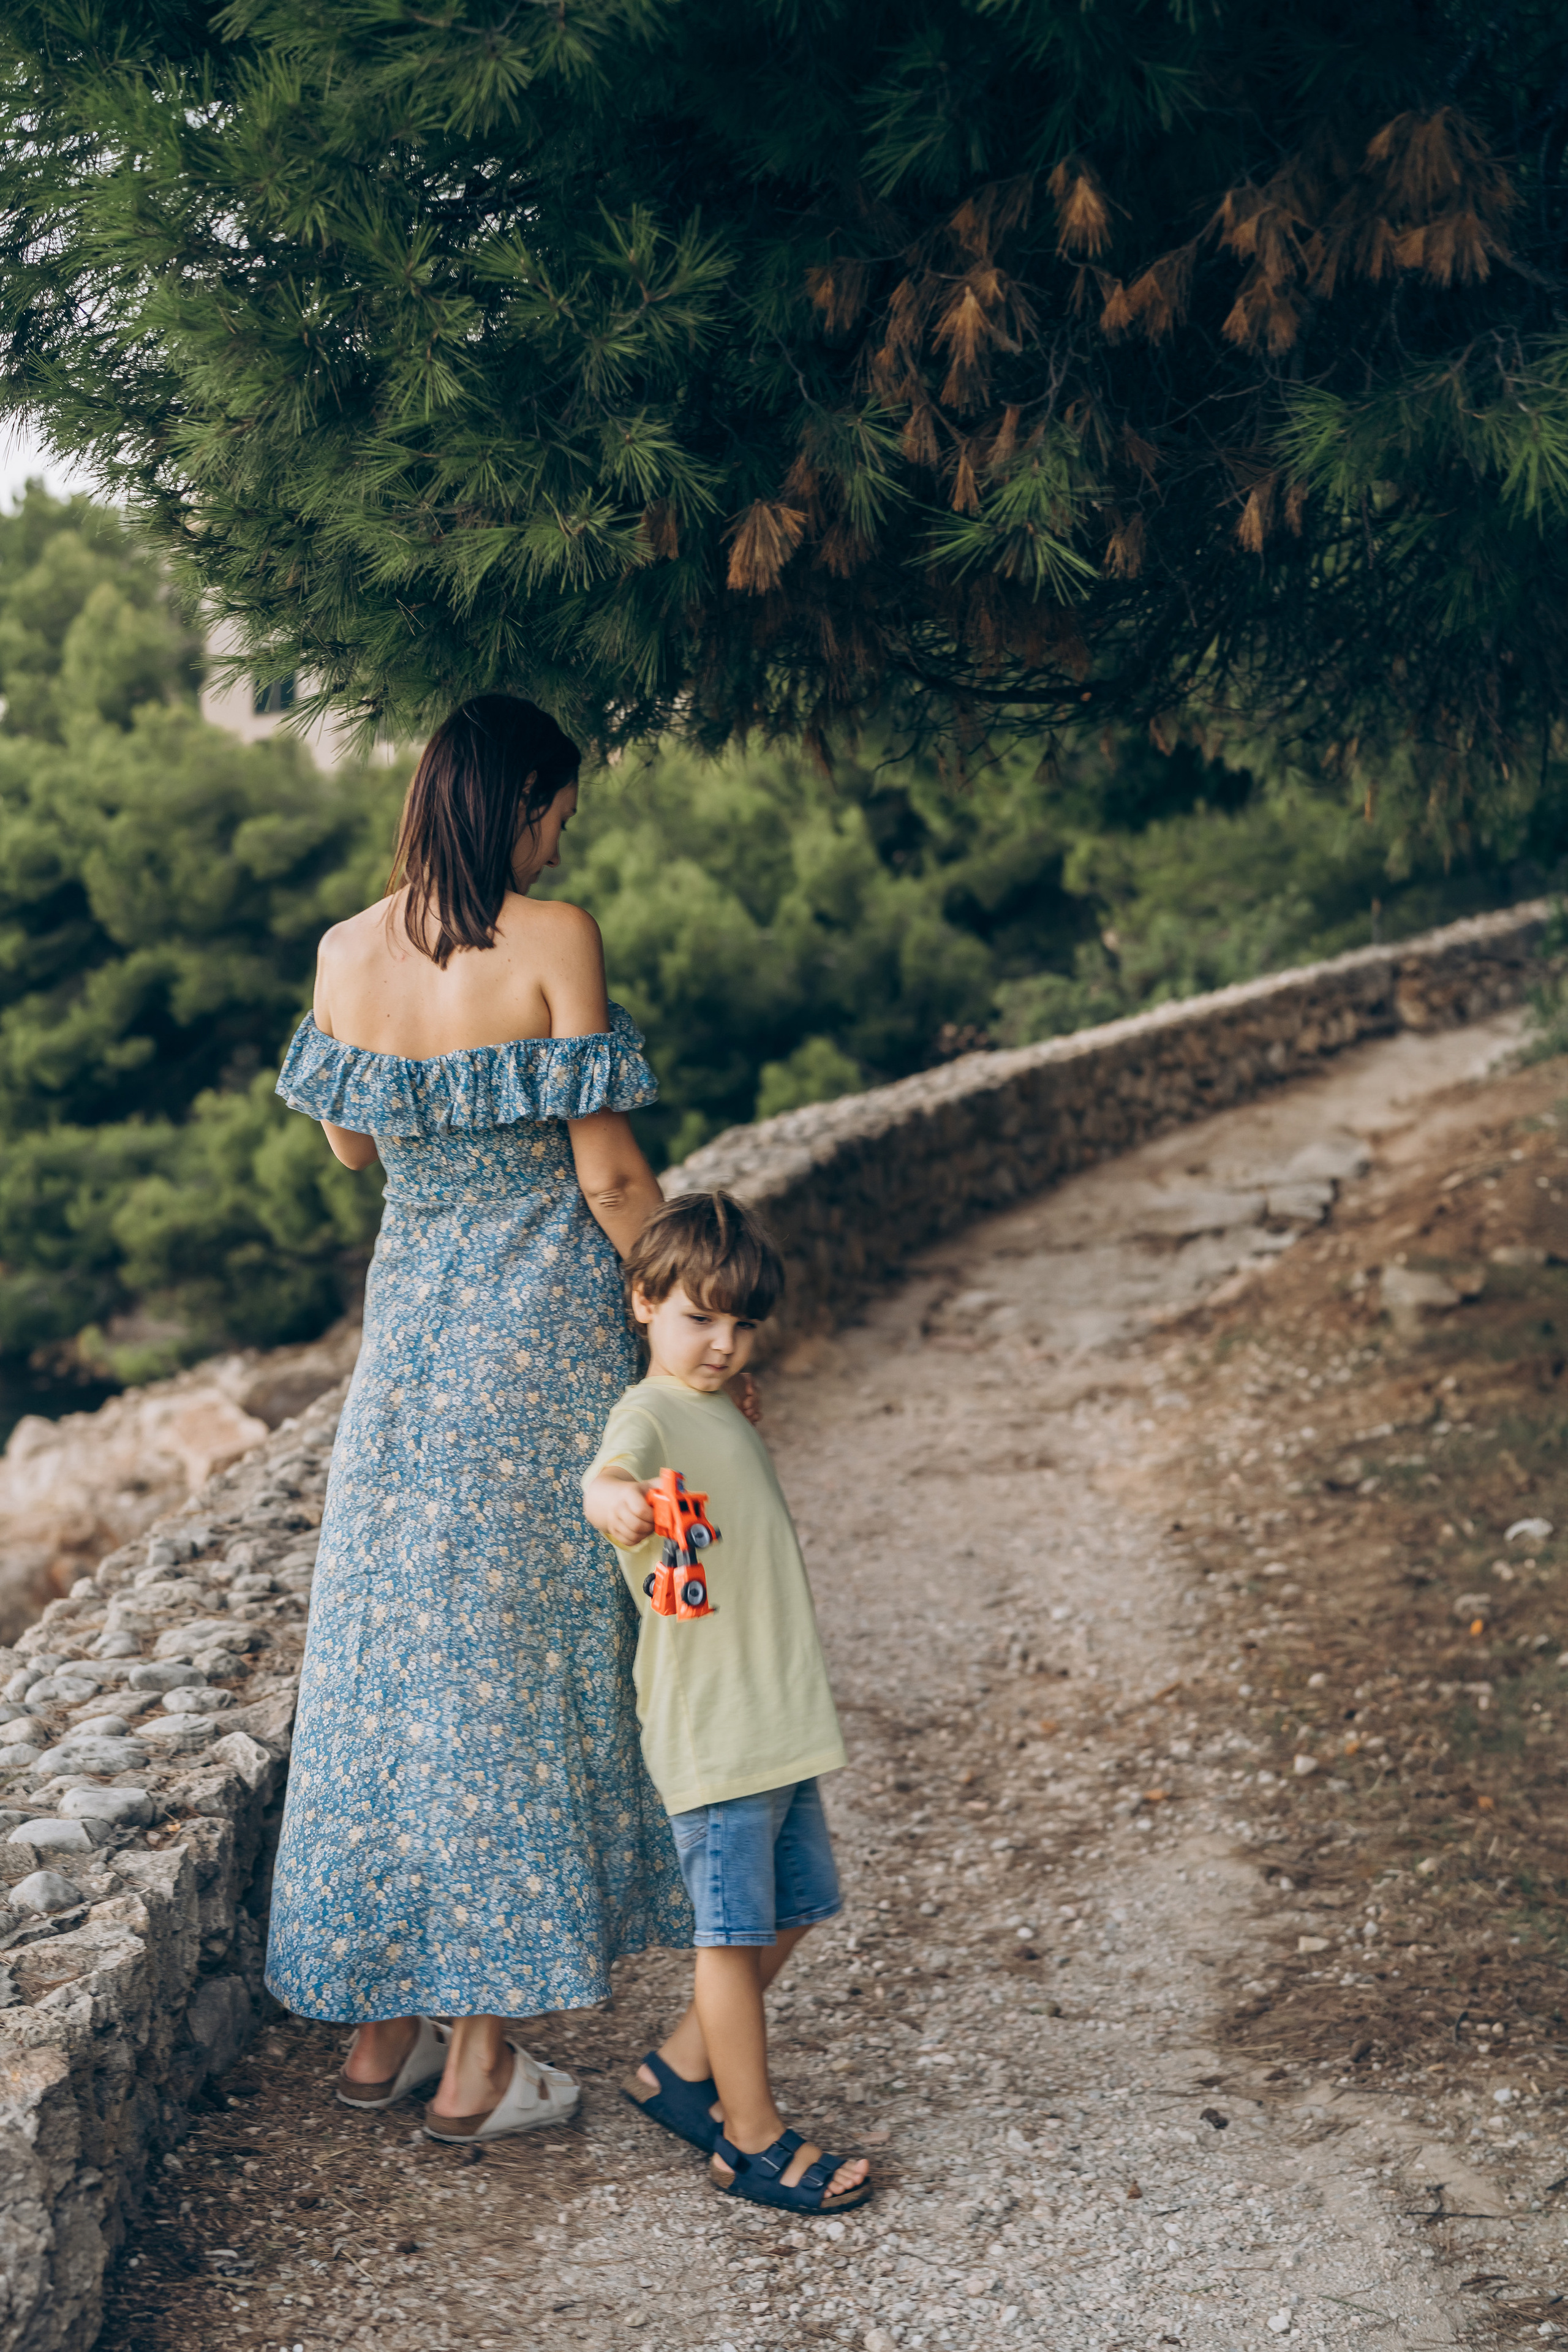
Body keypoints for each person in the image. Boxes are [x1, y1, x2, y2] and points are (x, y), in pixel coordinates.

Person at [264, 693, 693, 2144]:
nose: (562, 832)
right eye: (557, 808)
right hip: (538, 1340)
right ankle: (482, 2061)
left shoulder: (339, 952)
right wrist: (680, 1322)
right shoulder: (553, 937)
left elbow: (346, 1142)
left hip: (411, 1337)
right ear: (520, 806)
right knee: (517, 1664)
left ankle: (381, 2034)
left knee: (387, 1660)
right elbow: (610, 1179)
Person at [581, 1191, 873, 2214]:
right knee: (729, 1933)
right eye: (700, 1317)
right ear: (643, 1303)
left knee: (795, 1909)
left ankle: (675, 2072)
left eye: (742, 1324)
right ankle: (750, 2140)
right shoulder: (651, 1413)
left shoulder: (722, 1408)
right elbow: (609, 1477)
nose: (723, 1343)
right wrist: (618, 1502)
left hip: (774, 1716)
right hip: (715, 1724)